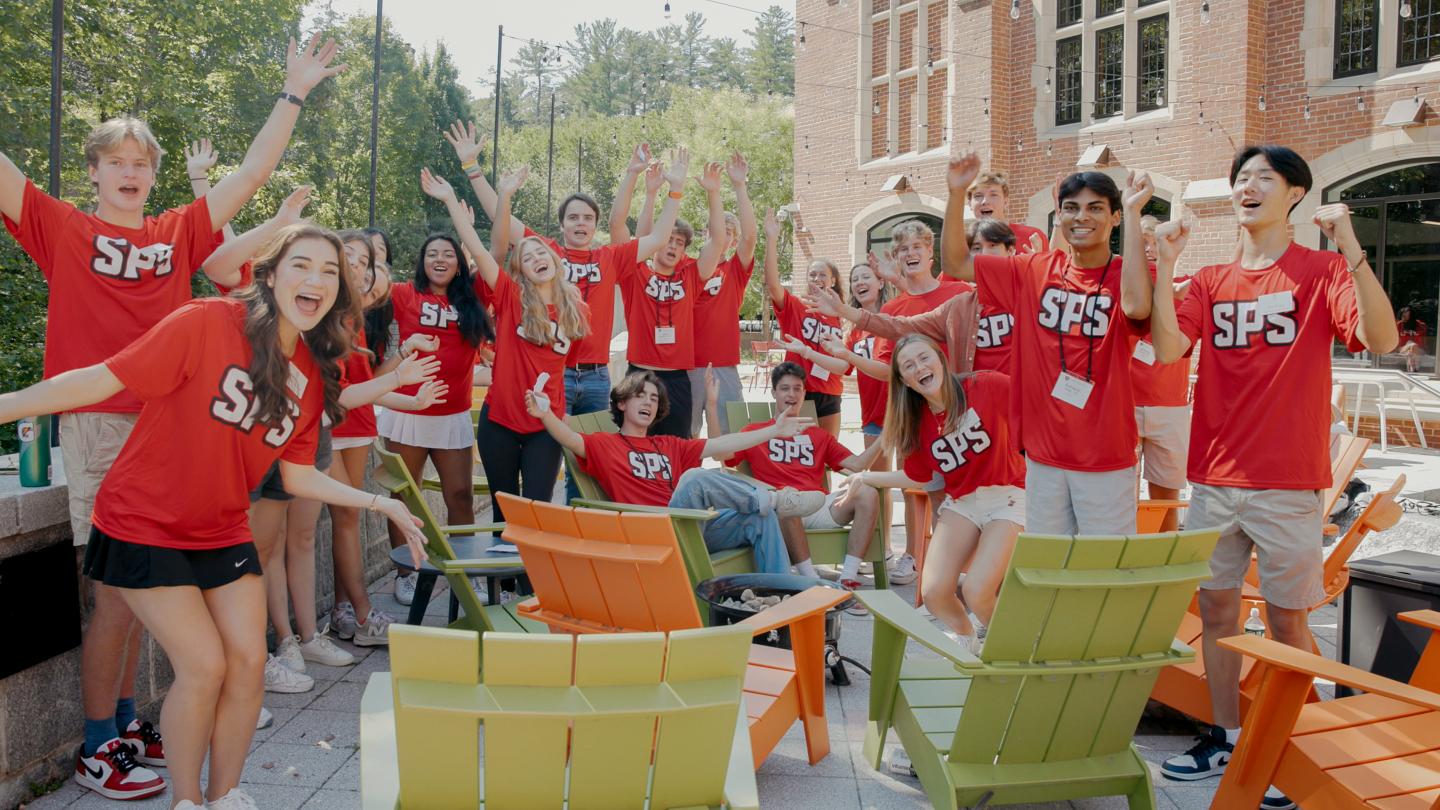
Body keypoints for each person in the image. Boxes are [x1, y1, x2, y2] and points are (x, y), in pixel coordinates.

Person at [0, 34, 344, 801]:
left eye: (140, 163)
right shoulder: (60, 227)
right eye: (115, 162)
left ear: (154, 175)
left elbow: (252, 172)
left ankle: (126, 722)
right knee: (117, 598)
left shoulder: (172, 235)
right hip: (97, 419)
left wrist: (293, 92)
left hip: (177, 422)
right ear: (92, 172)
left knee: (150, 601)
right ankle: (99, 743)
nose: (129, 173)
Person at [0, 224, 427, 810]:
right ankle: (188, 802)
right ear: (272, 274)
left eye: (330, 272)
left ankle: (225, 796)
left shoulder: (308, 371)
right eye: (302, 265)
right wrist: (6, 406)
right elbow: (101, 380)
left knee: (250, 663)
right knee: (204, 667)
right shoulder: (204, 321)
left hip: (222, 527)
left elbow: (298, 476)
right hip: (143, 522)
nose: (317, 281)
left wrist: (384, 502)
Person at [1147, 145, 1398, 810]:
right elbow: (1170, 349)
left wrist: (1352, 250)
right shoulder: (1208, 279)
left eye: (1264, 177)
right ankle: (1225, 733)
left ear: (1295, 196)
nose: (1247, 187)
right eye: (1240, 178)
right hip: (1214, 479)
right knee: (1217, 610)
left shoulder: (1319, 270)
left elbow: (1378, 337)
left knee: (1289, 621)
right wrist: (1167, 267)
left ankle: (1294, 742)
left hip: (1288, 482)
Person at [941, 153, 1154, 535]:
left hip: (1105, 456)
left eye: (1095, 208)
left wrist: (1137, 213)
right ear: (1059, 215)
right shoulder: (1034, 270)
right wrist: (957, 194)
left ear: (1115, 217)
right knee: (1048, 567)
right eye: (1071, 207)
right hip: (1044, 455)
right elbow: (957, 263)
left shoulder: (1131, 273)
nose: (1081, 217)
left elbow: (1137, 307)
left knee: (1102, 571)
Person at [445, 125, 680, 421]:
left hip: (596, 376)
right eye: (573, 218)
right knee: (549, 453)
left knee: (588, 459)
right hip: (553, 371)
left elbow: (659, 238)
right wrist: (471, 167)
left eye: (587, 218)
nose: (580, 224)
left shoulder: (611, 256)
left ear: (595, 225)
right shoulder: (545, 251)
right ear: (562, 225)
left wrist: (674, 190)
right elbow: (498, 214)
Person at [525, 369, 824, 574]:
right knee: (694, 478)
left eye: (654, 399)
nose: (648, 402)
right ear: (621, 403)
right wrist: (545, 413)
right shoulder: (606, 444)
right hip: (652, 531)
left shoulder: (668, 444)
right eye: (640, 395)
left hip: (690, 527)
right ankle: (772, 498)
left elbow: (724, 443)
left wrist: (775, 429)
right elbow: (568, 438)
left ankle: (780, 597)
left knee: (760, 518)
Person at [422, 165, 589, 523]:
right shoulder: (512, 298)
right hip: (500, 421)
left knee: (537, 513)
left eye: (541, 253)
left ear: (554, 260)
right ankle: (504, 582)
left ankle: (531, 581)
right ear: (520, 271)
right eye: (526, 258)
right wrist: (455, 198)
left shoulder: (577, 310)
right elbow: (483, 250)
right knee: (504, 515)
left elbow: (564, 362)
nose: (536, 259)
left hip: (545, 424)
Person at [843, 335, 1024, 650]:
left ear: (940, 358)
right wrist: (867, 478)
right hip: (964, 503)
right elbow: (918, 477)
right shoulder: (917, 424)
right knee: (935, 592)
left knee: (978, 589)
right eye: (909, 366)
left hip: (1009, 495)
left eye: (924, 358)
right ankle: (971, 642)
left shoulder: (987, 386)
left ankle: (1010, 650)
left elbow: (1035, 408)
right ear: (904, 381)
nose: (920, 368)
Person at [379, 231, 494, 604]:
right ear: (421, 261)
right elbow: (362, 292)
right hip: (408, 411)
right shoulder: (403, 294)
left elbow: (497, 253)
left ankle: (467, 571)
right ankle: (407, 572)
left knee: (459, 495)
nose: (440, 259)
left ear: (460, 263)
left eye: (448, 253)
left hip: (452, 412)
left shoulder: (473, 298)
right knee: (405, 494)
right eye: (432, 254)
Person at [712, 361, 883, 595]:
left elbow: (857, 465)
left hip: (819, 505)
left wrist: (885, 438)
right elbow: (720, 455)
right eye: (784, 388)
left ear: (803, 393)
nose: (791, 394)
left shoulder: (818, 435)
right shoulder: (756, 432)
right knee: (786, 501)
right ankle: (810, 581)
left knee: (867, 492)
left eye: (797, 388)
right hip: (781, 511)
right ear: (774, 393)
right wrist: (711, 406)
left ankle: (848, 578)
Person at [608, 149, 718, 437]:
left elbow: (718, 241)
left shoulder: (691, 276)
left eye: (679, 243)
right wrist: (650, 192)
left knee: (677, 450)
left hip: (678, 378)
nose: (672, 246)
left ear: (684, 250)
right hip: (640, 373)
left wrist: (714, 194)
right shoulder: (636, 273)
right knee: (635, 448)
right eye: (668, 239)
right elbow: (618, 228)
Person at [685, 154, 758, 435]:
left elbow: (752, 237)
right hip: (688, 366)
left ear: (734, 240)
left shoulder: (734, 270)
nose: (722, 236)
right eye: (717, 230)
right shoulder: (689, 268)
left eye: (729, 232)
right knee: (687, 439)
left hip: (723, 366)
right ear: (707, 232)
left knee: (731, 440)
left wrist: (740, 186)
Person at [1130, 215, 1192, 531]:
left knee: (1167, 490)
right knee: (1121, 491)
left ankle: (1163, 549)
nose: (1150, 248)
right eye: (1142, 242)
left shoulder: (1188, 288)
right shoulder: (1123, 286)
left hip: (1170, 403)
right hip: (1124, 403)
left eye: (1155, 241)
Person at [763, 211, 846, 437]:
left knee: (827, 456)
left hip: (830, 392)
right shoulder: (795, 306)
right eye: (812, 275)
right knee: (799, 452)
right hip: (800, 391)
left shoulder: (841, 314)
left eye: (822, 275)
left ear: (833, 280)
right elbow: (772, 285)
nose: (817, 279)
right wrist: (771, 239)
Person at [967, 169, 1050, 254]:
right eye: (978, 196)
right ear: (970, 203)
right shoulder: (963, 244)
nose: (985, 201)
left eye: (993, 195)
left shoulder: (1032, 237)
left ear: (1006, 202)